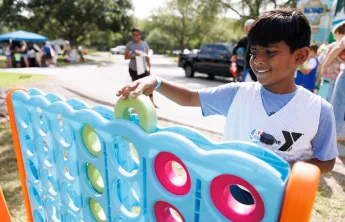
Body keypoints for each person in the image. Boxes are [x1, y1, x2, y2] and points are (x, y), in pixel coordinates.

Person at [117, 9, 338, 175]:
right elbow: (188, 98)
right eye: (254, 52)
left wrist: (289, 168)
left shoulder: (319, 111)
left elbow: (326, 161)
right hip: (227, 195)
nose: (258, 60)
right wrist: (156, 81)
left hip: (282, 204)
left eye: (270, 52)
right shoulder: (237, 95)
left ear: (299, 56)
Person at [124, 28, 157, 107]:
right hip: (133, 69)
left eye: (137, 35)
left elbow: (147, 57)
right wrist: (133, 55)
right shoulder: (129, 44)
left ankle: (152, 103)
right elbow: (125, 57)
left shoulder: (144, 44)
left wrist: (149, 68)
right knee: (135, 87)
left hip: (143, 69)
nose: (135, 36)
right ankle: (136, 105)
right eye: (134, 35)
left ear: (140, 35)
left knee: (148, 86)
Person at [322, 35, 345, 143]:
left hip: (333, 76)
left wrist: (324, 66)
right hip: (333, 77)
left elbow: (339, 47)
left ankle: (335, 133)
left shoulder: (334, 45)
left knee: (337, 102)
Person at [320, 21, 345, 101]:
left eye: (334, 35)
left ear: (337, 33)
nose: (334, 38)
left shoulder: (334, 46)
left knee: (328, 102)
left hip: (330, 78)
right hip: (339, 76)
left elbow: (322, 60)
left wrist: (321, 53)